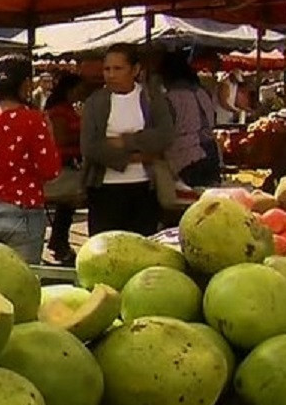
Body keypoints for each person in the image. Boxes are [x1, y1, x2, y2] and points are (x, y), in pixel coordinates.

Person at [0, 55, 60, 264]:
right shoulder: (34, 120)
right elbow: (50, 170)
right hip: (22, 210)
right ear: (26, 84)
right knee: (23, 278)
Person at [80, 44, 174, 237]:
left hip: (145, 188)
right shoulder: (95, 103)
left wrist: (125, 141)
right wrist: (133, 157)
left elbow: (164, 135)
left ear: (135, 69)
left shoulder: (152, 99)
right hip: (104, 189)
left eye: (118, 68)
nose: (111, 75)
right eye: (107, 69)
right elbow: (90, 146)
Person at [42, 71, 88, 265]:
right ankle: (59, 242)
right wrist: (84, 133)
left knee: (67, 208)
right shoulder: (59, 111)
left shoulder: (68, 108)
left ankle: (59, 241)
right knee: (66, 204)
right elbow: (60, 138)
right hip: (64, 163)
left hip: (71, 162)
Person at [159, 50, 222, 188]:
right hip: (212, 152)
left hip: (187, 158)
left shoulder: (170, 98)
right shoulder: (203, 92)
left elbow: (165, 132)